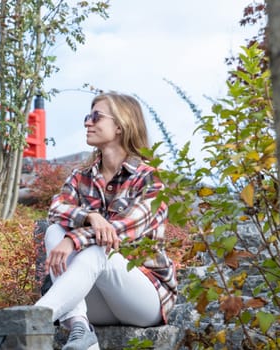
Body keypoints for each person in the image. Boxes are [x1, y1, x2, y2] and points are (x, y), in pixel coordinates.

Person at [35, 92, 178, 350]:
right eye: (87, 117)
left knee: (99, 248)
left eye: (96, 116)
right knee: (54, 230)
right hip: (96, 302)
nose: (87, 123)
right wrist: (91, 216)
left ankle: (29, 321)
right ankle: (81, 330)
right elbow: (56, 208)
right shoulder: (81, 177)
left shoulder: (150, 179)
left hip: (143, 299)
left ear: (121, 126)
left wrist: (74, 239)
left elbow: (118, 234)